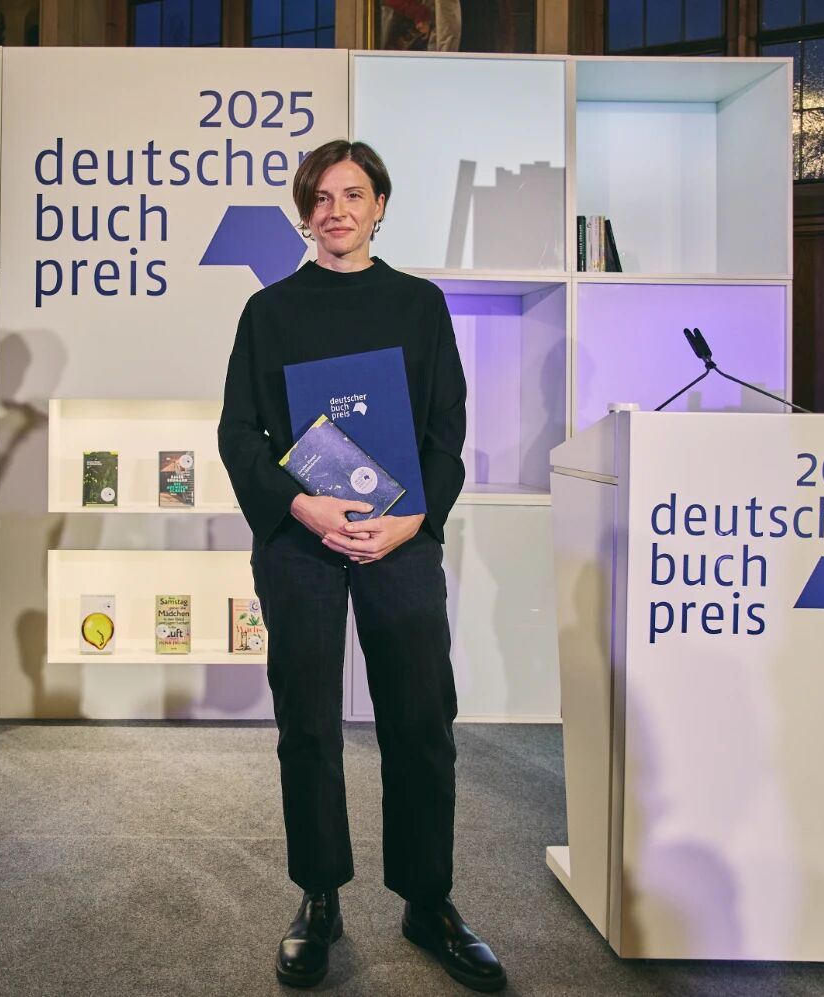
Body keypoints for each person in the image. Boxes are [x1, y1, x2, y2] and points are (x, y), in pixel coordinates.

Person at [217, 140, 505, 992]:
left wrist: (414, 518)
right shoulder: (268, 312)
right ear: (304, 213)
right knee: (307, 720)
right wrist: (299, 505)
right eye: (320, 197)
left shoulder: (419, 305)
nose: (335, 211)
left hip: (399, 535)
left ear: (380, 205)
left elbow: (446, 431)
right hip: (301, 537)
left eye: (352, 195)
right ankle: (319, 896)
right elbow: (239, 434)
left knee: (421, 718)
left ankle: (428, 899)